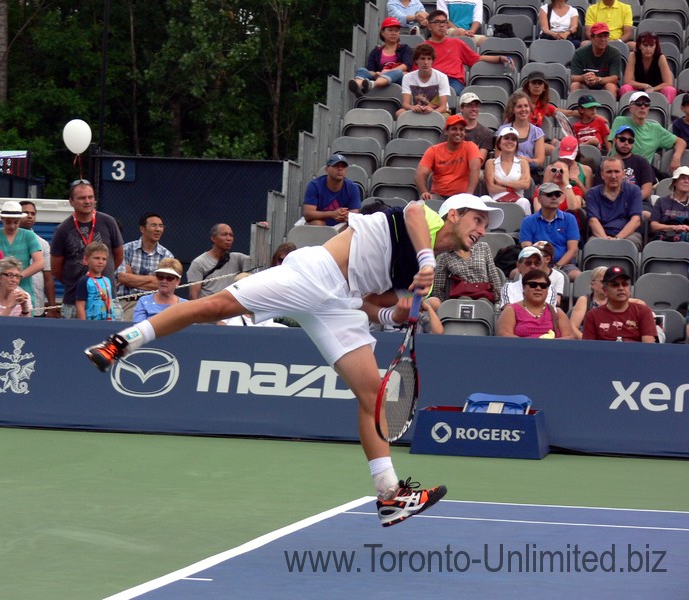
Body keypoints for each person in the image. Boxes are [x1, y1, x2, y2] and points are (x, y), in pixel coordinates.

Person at [84, 194, 505, 528]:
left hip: (339, 303)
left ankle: (389, 493)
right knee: (211, 307)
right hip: (314, 274)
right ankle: (122, 342)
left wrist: (396, 314)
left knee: (372, 393)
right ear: (453, 215)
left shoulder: (416, 270)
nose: (482, 230)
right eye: (478, 220)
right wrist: (427, 262)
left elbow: (374, 307)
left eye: (487, 226)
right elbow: (413, 209)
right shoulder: (425, 224)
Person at [50, 179, 124, 319]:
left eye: (90, 197)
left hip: (106, 298)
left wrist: (102, 271)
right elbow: (56, 269)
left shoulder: (108, 222)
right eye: (82, 198)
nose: (87, 201)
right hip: (73, 300)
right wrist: (75, 282)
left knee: (111, 340)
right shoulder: (63, 229)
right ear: (71, 201)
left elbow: (118, 256)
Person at [424, 9, 511, 95]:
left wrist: (500, 58)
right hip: (430, 80)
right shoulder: (423, 47)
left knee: (451, 94)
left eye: (444, 22)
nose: (442, 25)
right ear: (429, 26)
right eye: (437, 22)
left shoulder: (457, 43)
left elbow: (477, 58)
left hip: (453, 81)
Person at [116, 212, 175, 321]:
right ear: (142, 229)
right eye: (153, 225)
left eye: (161, 226)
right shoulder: (126, 250)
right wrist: (152, 279)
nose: (158, 229)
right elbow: (122, 278)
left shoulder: (167, 256)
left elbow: (165, 285)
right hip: (128, 302)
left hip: (156, 304)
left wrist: (132, 276)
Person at [610, 92, 687, 174]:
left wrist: (676, 157)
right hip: (616, 170)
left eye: (646, 104)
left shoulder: (655, 129)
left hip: (640, 174)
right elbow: (611, 145)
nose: (643, 107)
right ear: (630, 108)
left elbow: (681, 142)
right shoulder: (620, 121)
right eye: (638, 103)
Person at [520, 181, 582, 281]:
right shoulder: (528, 221)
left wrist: (557, 267)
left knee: (579, 277)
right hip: (535, 264)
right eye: (549, 194)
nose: (554, 197)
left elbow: (573, 250)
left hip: (564, 265)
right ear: (539, 199)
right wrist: (539, 266)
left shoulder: (569, 219)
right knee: (515, 274)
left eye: (557, 194)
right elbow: (527, 249)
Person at [0, 201, 44, 310]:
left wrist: (18, 276)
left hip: (24, 289)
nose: (12, 226)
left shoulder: (28, 235)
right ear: (2, 219)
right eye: (8, 222)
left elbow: (40, 262)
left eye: (16, 222)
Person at [582, 265, 656, 342]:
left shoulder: (643, 311)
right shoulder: (592, 315)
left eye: (625, 284)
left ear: (630, 288)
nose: (621, 288)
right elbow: (589, 348)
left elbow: (648, 347)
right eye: (615, 285)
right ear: (605, 290)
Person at [416, 114, 481, 200]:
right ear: (446, 131)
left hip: (462, 196)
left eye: (461, 129)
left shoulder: (471, 147)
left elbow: (475, 169)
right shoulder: (434, 150)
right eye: (454, 129)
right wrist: (424, 192)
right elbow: (420, 174)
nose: (458, 132)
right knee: (425, 205)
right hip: (439, 196)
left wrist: (468, 196)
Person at [585, 156, 643, 249]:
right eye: (609, 172)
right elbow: (593, 221)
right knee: (592, 245)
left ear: (623, 174)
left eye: (616, 171)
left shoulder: (634, 191)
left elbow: (636, 220)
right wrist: (605, 240)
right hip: (601, 235)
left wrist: (617, 239)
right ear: (602, 175)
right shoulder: (592, 193)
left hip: (628, 235)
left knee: (630, 244)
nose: (613, 176)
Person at [496, 268, 573, 338]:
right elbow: (505, 335)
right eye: (533, 285)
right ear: (524, 287)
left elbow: (569, 338)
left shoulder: (557, 313)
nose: (538, 288)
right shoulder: (511, 310)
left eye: (543, 286)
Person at [428, 240, 503, 310]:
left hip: (483, 294)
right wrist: (445, 306)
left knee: (483, 303)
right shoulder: (445, 255)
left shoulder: (483, 247)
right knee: (464, 301)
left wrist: (498, 301)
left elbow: (493, 276)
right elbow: (438, 285)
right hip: (461, 294)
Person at [348, 17, 413, 98]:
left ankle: (373, 85)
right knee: (362, 70)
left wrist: (387, 72)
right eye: (390, 30)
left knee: (399, 72)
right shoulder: (376, 52)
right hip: (379, 76)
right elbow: (371, 70)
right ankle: (357, 87)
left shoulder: (405, 49)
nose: (394, 33)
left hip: (398, 80)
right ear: (382, 32)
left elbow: (406, 65)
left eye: (396, 30)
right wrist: (376, 74)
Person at [186, 223, 250, 300]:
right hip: (209, 309)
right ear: (213, 238)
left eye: (231, 235)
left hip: (231, 308)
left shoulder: (237, 258)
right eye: (224, 234)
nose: (229, 238)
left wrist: (264, 231)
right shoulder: (199, 263)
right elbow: (194, 296)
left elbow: (260, 262)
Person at [19, 200, 57, 318]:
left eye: (33, 213)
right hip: (10, 303)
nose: (30, 216)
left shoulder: (43, 244)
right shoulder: (3, 239)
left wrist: (52, 307)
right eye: (25, 213)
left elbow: (48, 278)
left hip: (36, 305)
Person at [606, 125, 656, 212]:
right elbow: (599, 189)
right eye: (622, 139)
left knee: (646, 214)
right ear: (614, 140)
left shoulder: (642, 162)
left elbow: (647, 190)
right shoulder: (606, 164)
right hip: (610, 203)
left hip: (636, 203)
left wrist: (628, 202)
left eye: (630, 141)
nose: (626, 143)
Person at [484, 125, 533, 215]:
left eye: (513, 139)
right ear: (499, 143)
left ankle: (525, 228)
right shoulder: (491, 163)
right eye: (506, 138)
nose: (510, 141)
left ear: (516, 144)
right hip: (495, 200)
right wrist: (515, 187)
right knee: (484, 199)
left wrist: (502, 183)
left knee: (524, 202)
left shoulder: (523, 162)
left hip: (517, 201)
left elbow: (526, 185)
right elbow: (492, 188)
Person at [303, 154, 362, 227]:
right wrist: (332, 214)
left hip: (341, 226)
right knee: (317, 223)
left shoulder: (353, 187)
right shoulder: (314, 185)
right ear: (327, 169)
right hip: (322, 225)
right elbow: (308, 214)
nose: (340, 169)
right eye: (336, 166)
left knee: (350, 225)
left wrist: (343, 215)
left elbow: (354, 214)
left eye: (343, 166)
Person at [620, 33, 677, 105]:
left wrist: (653, 89)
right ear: (640, 46)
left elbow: (669, 83)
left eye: (651, 46)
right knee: (625, 88)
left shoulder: (660, 57)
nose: (648, 49)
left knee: (670, 90)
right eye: (645, 45)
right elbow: (627, 81)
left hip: (657, 91)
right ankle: (628, 111)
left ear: (656, 47)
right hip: (638, 91)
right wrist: (645, 86)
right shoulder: (633, 56)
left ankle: (666, 113)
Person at [397, 44, 449, 118]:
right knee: (400, 113)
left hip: (437, 111)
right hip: (417, 111)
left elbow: (443, 107)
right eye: (422, 58)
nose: (426, 62)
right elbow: (405, 104)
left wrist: (432, 111)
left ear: (432, 61)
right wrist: (412, 107)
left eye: (429, 59)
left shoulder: (442, 77)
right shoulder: (407, 77)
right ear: (416, 60)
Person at [570, 22, 622, 97]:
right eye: (600, 36)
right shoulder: (580, 53)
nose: (603, 39)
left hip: (604, 85)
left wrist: (598, 79)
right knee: (575, 85)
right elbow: (573, 77)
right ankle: (576, 108)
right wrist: (584, 77)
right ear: (591, 38)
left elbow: (614, 78)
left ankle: (609, 108)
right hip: (585, 85)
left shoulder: (614, 53)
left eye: (606, 36)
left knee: (611, 86)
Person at [502, 91, 546, 179]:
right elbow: (498, 156)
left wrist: (525, 160)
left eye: (526, 106)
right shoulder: (503, 130)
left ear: (530, 108)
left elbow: (540, 161)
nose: (523, 109)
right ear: (513, 109)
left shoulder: (537, 132)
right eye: (519, 106)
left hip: (530, 173)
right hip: (506, 172)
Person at [132, 258, 187, 323]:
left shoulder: (186, 305)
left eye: (169, 278)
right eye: (160, 276)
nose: (164, 281)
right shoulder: (144, 301)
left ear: (177, 281)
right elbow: (138, 327)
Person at [75, 241, 116, 321]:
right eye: (97, 258)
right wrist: (83, 325)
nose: (101, 262)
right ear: (86, 260)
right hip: (91, 324)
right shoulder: (84, 281)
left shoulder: (107, 280)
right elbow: (80, 305)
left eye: (104, 259)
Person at [450, 92, 493, 165]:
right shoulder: (451, 129)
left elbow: (479, 162)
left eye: (476, 106)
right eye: (470, 105)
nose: (474, 109)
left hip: (472, 170)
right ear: (461, 108)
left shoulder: (486, 133)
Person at [650, 166, 689, 242]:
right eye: (683, 178)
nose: (686, 181)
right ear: (674, 182)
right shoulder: (661, 201)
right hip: (665, 239)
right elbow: (654, 226)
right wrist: (675, 227)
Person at [569, 265, 607, 338]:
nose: (606, 285)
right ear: (592, 284)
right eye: (603, 281)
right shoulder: (584, 300)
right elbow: (572, 328)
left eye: (609, 282)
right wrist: (588, 342)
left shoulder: (616, 301)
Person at [530, 240, 566, 304]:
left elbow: (557, 301)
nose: (533, 258)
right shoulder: (525, 273)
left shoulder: (558, 276)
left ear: (547, 259)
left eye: (537, 256)